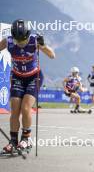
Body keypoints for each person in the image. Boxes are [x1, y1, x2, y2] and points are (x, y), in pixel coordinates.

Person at [0, 19, 55, 154]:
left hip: (33, 77)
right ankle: (13, 141)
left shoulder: (34, 40)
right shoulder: (8, 41)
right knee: (15, 108)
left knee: (25, 108)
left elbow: (52, 55)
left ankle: (26, 138)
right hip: (17, 76)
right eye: (18, 41)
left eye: (23, 40)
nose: (21, 43)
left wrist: (43, 45)